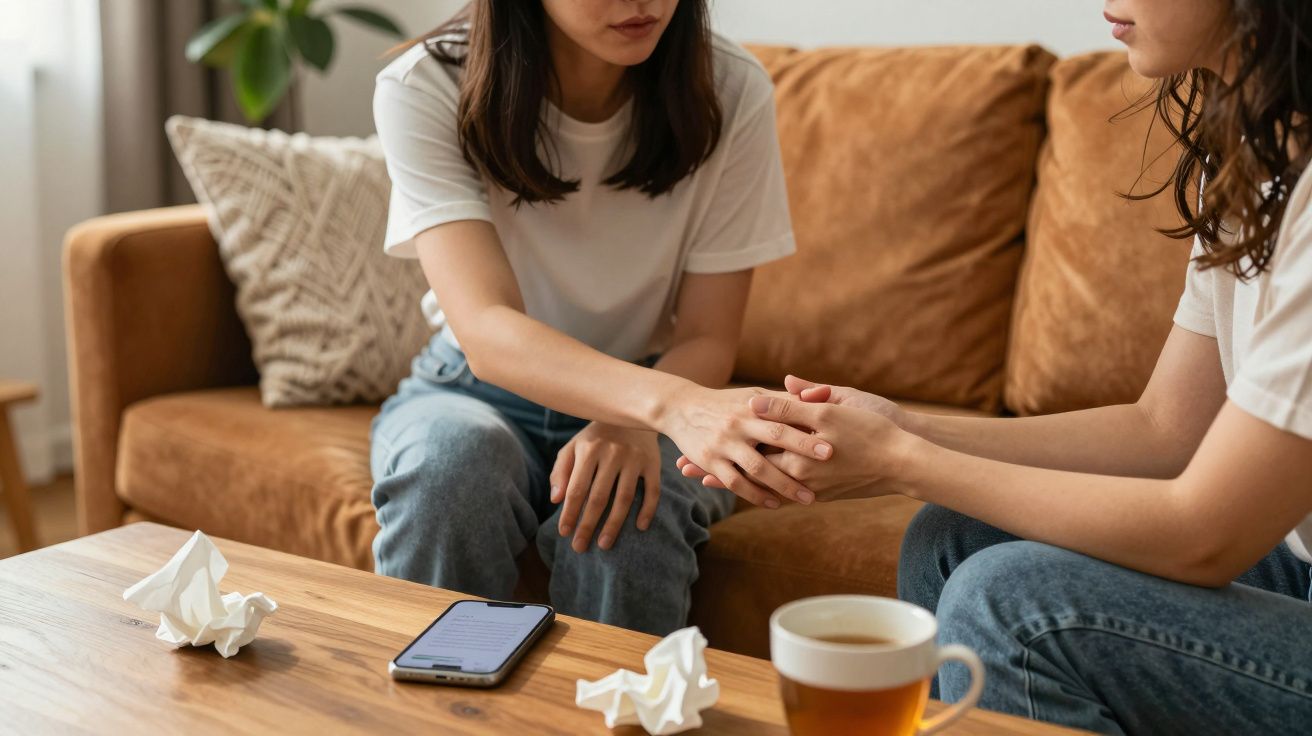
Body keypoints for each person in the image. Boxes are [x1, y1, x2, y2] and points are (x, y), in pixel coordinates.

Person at [678, 0, 1312, 731]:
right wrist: (906, 427)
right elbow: (1166, 430)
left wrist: (901, 460)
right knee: (953, 538)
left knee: (1010, 603)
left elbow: (1202, 533)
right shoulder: (1247, 155)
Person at [369, 0, 829, 636]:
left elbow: (707, 336)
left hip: (656, 380)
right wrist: (659, 406)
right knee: (450, 471)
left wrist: (633, 416)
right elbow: (487, 329)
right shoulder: (425, 83)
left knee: (635, 510)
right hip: (477, 391)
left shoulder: (730, 88)